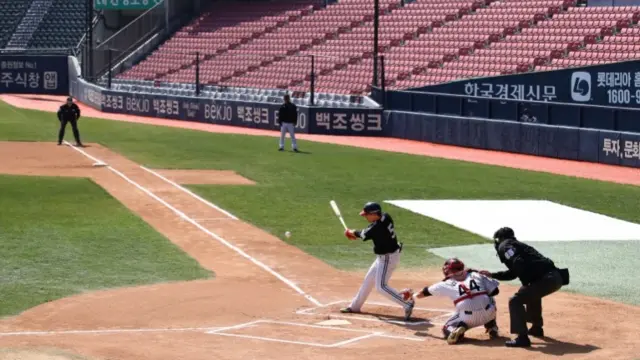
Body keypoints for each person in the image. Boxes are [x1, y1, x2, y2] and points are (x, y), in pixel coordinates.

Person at [479, 227, 569, 348]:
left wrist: (526, 281)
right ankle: (536, 328)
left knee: (515, 301)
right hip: (556, 278)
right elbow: (513, 272)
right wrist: (492, 275)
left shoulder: (505, 245)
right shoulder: (518, 245)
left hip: (546, 279)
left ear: (500, 238)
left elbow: (518, 263)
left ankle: (522, 338)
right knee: (531, 293)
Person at [340, 202, 415, 320]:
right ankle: (355, 306)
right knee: (368, 280)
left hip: (388, 258)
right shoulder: (385, 216)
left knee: (381, 287)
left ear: (374, 214)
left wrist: (351, 232)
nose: (365, 217)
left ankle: (407, 303)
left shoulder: (377, 227)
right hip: (384, 257)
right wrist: (354, 233)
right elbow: (366, 234)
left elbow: (364, 234)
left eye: (366, 214)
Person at [401, 258, 500, 345]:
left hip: (468, 319)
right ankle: (492, 326)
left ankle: (457, 330)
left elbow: (424, 293)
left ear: (446, 271)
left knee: (447, 326)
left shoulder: (445, 283)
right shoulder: (476, 274)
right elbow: (495, 291)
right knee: (489, 297)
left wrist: (412, 295)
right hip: (489, 313)